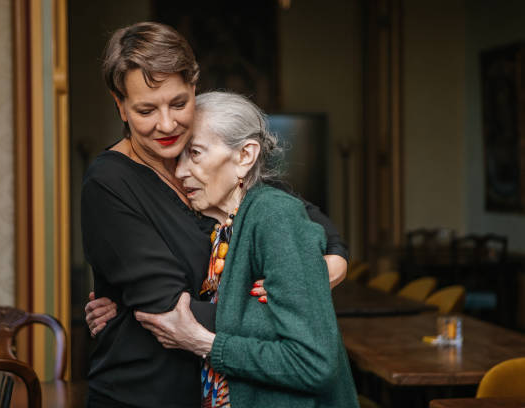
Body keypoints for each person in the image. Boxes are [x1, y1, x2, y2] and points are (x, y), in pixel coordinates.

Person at [82, 21, 348, 407]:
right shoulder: (110, 183)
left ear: (194, 88)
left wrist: (334, 261)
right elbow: (171, 314)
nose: (167, 124)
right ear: (119, 105)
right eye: (145, 110)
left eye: (178, 103)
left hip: (222, 389)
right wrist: (295, 312)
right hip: (144, 393)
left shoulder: (199, 160)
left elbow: (300, 214)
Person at [134, 91, 358, 407]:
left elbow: (313, 363)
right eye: (178, 157)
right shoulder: (221, 229)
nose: (181, 171)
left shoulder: (274, 217)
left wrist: (203, 344)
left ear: (245, 156)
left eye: (195, 153)